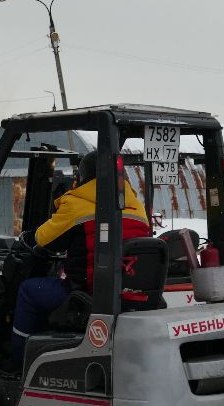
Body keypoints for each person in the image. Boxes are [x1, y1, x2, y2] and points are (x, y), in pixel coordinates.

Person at [10, 149, 150, 362]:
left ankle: (19, 360)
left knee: (28, 291)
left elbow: (42, 239)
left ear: (84, 176)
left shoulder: (76, 203)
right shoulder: (137, 206)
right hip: (125, 291)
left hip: (88, 293)